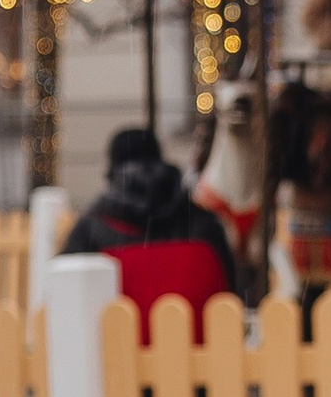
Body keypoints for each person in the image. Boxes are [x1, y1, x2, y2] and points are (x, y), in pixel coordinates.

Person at [59, 124, 238, 331]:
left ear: (111, 171)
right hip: (206, 352)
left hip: (116, 355)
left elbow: (66, 299)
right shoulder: (203, 224)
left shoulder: (91, 229)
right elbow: (230, 291)